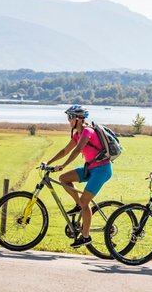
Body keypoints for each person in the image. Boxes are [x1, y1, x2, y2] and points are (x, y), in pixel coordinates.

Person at [45, 105, 113, 248]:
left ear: (78, 119)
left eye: (70, 117)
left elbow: (77, 150)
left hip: (101, 170)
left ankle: (86, 237)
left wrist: (63, 165)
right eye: (68, 117)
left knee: (85, 202)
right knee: (64, 179)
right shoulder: (76, 134)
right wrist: (49, 162)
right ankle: (79, 204)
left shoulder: (87, 131)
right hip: (90, 169)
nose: (68, 120)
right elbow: (65, 150)